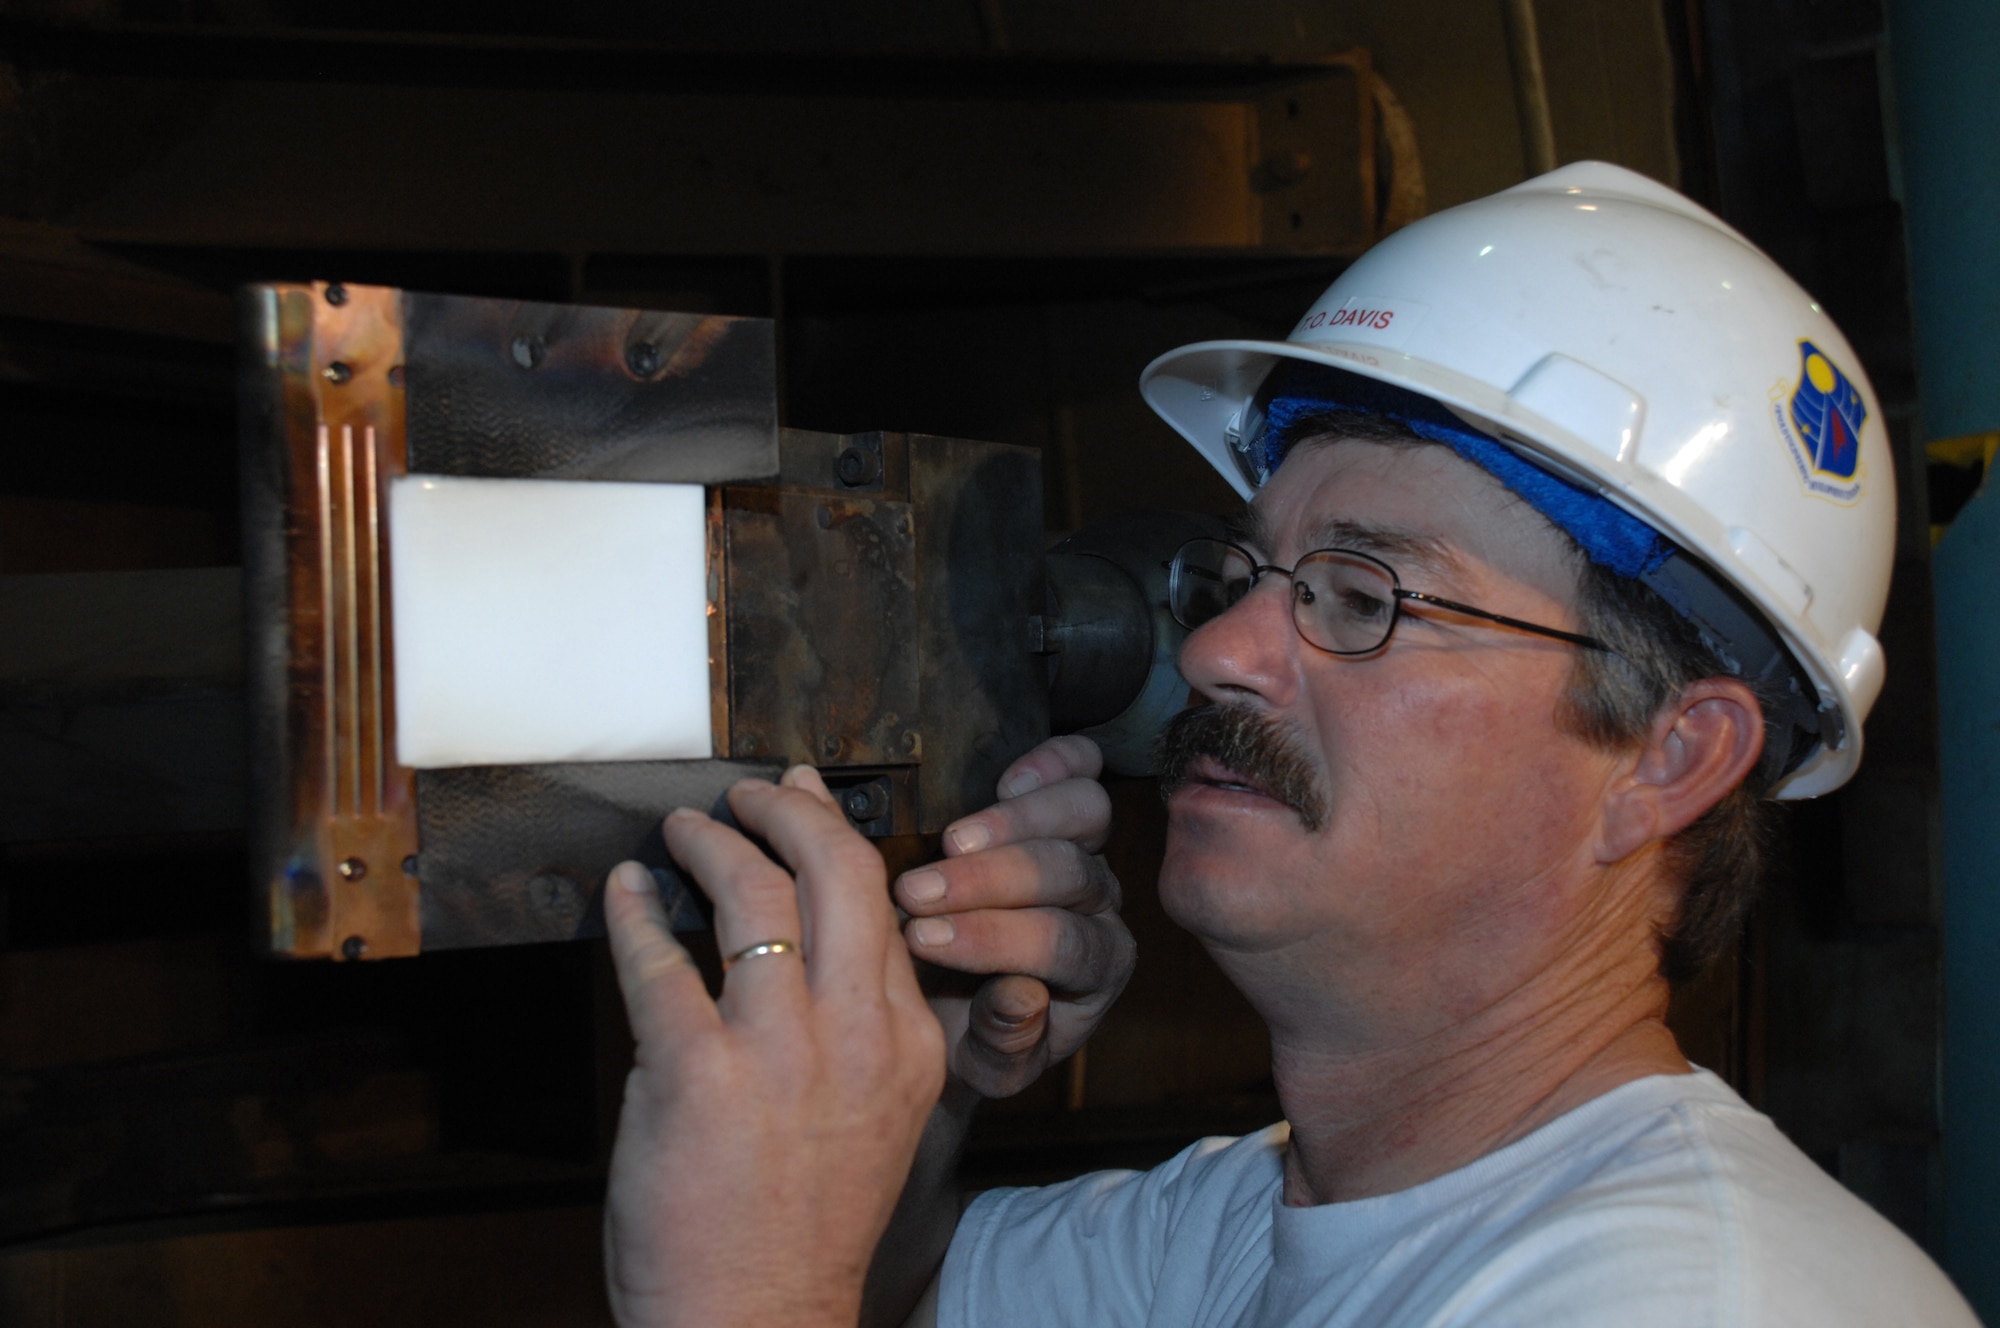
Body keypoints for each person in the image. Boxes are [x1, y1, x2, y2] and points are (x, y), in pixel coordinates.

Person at [598, 162, 1980, 1327]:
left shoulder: (1689, 1305)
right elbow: (881, 1289)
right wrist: (930, 1089)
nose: (1211, 654)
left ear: (1667, 760)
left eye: (1362, 598)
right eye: (1248, 576)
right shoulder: (1239, 1225)